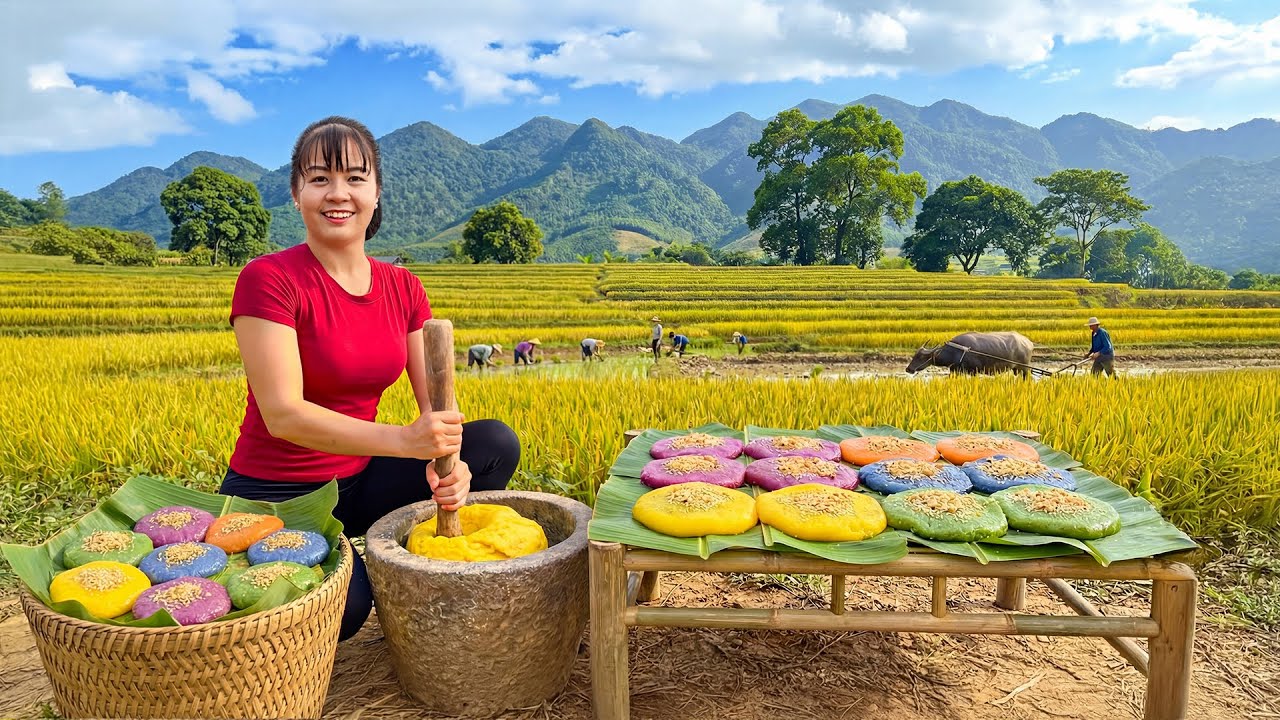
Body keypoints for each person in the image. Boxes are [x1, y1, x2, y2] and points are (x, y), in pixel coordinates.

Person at [218, 116, 520, 643]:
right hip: (278, 494)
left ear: (376, 192)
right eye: (320, 178)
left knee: (493, 443)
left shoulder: (403, 286)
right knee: (347, 609)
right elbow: (283, 414)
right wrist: (405, 442)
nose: (338, 193)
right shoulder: (268, 279)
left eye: (355, 178)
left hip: (358, 481)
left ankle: (438, 584)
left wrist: (449, 464)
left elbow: (437, 408)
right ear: (296, 193)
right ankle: (344, 574)